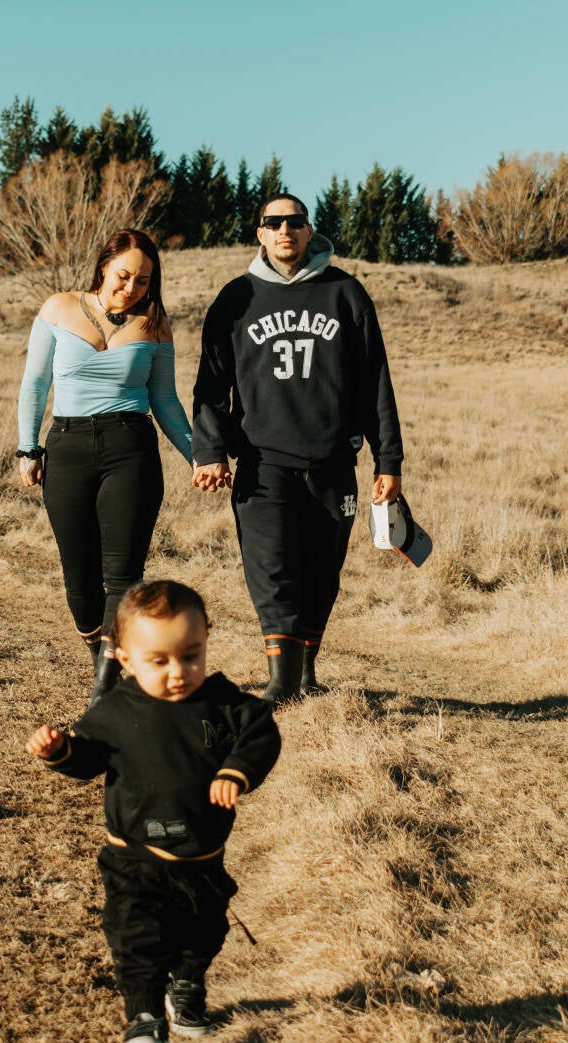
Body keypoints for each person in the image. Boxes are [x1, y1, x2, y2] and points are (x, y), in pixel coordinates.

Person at [26, 579, 281, 1043]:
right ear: (125, 659)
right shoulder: (115, 711)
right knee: (136, 937)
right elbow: (89, 758)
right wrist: (61, 752)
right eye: (159, 661)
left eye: (191, 655)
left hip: (202, 855)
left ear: (206, 640)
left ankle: (186, 985)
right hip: (133, 857)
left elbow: (261, 733)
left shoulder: (224, 704)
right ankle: (144, 1020)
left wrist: (236, 770)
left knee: (205, 931)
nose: (178, 672)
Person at [191, 194, 404, 704]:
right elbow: (211, 384)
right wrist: (210, 451)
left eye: (295, 222)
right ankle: (282, 682)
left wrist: (388, 459)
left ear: (310, 231)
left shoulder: (345, 293)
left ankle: (305, 671)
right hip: (262, 464)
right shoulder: (235, 298)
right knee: (272, 570)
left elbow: (375, 380)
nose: (285, 230)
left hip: (332, 463)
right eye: (274, 222)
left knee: (322, 573)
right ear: (260, 234)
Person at [16, 229, 193, 706]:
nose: (131, 288)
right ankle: (103, 655)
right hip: (68, 447)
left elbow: (165, 400)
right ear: (103, 267)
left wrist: (198, 455)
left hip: (130, 448)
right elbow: (35, 383)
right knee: (79, 579)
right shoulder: (58, 308)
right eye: (124, 276)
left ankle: (104, 688)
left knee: (123, 575)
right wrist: (27, 448)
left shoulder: (154, 324)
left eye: (143, 281)